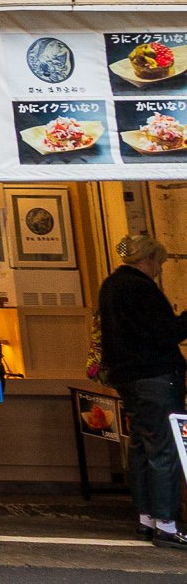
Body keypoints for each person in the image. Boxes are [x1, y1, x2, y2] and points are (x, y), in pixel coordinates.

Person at [96, 232, 187, 547]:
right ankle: (166, 522)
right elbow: (165, 333)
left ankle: (146, 518)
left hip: (127, 377)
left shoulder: (110, 286)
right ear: (147, 259)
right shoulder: (142, 289)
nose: (160, 268)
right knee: (164, 448)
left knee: (140, 447)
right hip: (156, 376)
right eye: (159, 262)